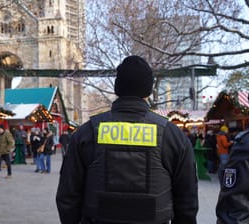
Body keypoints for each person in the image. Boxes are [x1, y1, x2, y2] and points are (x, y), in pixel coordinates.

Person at [56, 55, 198, 224]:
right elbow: (187, 200)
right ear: (148, 90)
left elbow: (68, 196)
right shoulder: (173, 136)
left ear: (118, 88)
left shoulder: (87, 132)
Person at [216, 126, 249, 223]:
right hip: (225, 153)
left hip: (224, 154)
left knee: (224, 166)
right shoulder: (245, 144)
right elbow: (235, 204)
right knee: (224, 166)